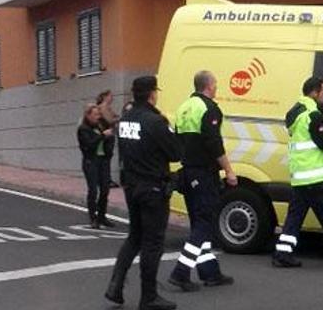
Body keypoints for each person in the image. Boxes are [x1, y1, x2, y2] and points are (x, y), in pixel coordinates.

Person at [104, 76, 182, 310]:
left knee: (134, 237)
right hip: (153, 189)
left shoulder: (125, 120)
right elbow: (175, 153)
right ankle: (148, 297)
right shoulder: (156, 121)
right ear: (151, 94)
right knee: (153, 243)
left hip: (133, 186)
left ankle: (115, 286)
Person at [272, 76, 323, 269]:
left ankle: (282, 254)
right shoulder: (313, 115)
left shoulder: (295, 112)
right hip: (316, 178)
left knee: (294, 219)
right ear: (315, 92)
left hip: (300, 177)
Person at [168, 71, 236, 291]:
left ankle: (210, 273)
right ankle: (181, 272)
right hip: (204, 174)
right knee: (204, 223)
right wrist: (229, 170)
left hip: (187, 173)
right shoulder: (209, 108)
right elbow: (214, 144)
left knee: (199, 223)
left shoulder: (184, 107)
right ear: (208, 86)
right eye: (215, 84)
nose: (217, 88)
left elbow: (177, 142)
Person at [78, 104, 115, 229]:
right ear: (88, 115)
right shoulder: (83, 129)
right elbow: (89, 145)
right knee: (93, 190)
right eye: (95, 114)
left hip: (103, 160)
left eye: (98, 114)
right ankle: (93, 217)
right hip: (91, 161)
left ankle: (102, 216)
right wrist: (102, 136)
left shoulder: (100, 125)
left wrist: (109, 150)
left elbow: (110, 137)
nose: (97, 117)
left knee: (105, 189)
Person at [97, 90, 122, 189]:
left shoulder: (107, 107)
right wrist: (118, 119)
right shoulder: (103, 107)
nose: (112, 98)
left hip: (109, 135)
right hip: (106, 135)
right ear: (105, 97)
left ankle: (106, 179)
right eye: (111, 96)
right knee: (105, 159)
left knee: (106, 158)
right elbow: (109, 120)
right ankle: (105, 180)